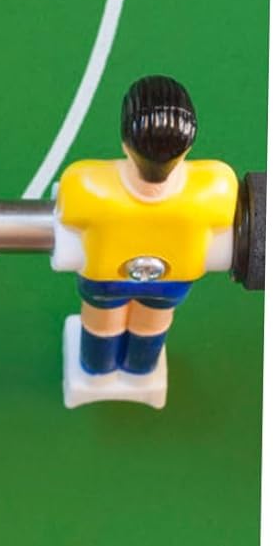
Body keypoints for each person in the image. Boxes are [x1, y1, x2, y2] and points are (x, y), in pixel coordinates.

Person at [53, 75, 238, 408]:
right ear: (187, 147)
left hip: (105, 280)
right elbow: (227, 219)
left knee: (103, 325)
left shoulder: (85, 184)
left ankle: (97, 373)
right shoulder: (217, 187)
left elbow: (67, 215)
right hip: (172, 281)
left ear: (126, 143)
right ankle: (139, 372)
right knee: (152, 325)